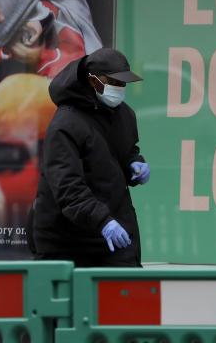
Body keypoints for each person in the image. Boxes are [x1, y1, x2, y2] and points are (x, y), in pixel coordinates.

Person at [30, 48, 150, 267]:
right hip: (66, 241)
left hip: (114, 229)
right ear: (93, 81)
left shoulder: (125, 115)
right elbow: (68, 187)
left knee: (124, 292)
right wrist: (103, 222)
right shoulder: (65, 124)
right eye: (114, 82)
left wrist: (135, 164)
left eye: (123, 84)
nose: (120, 89)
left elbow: (126, 151)